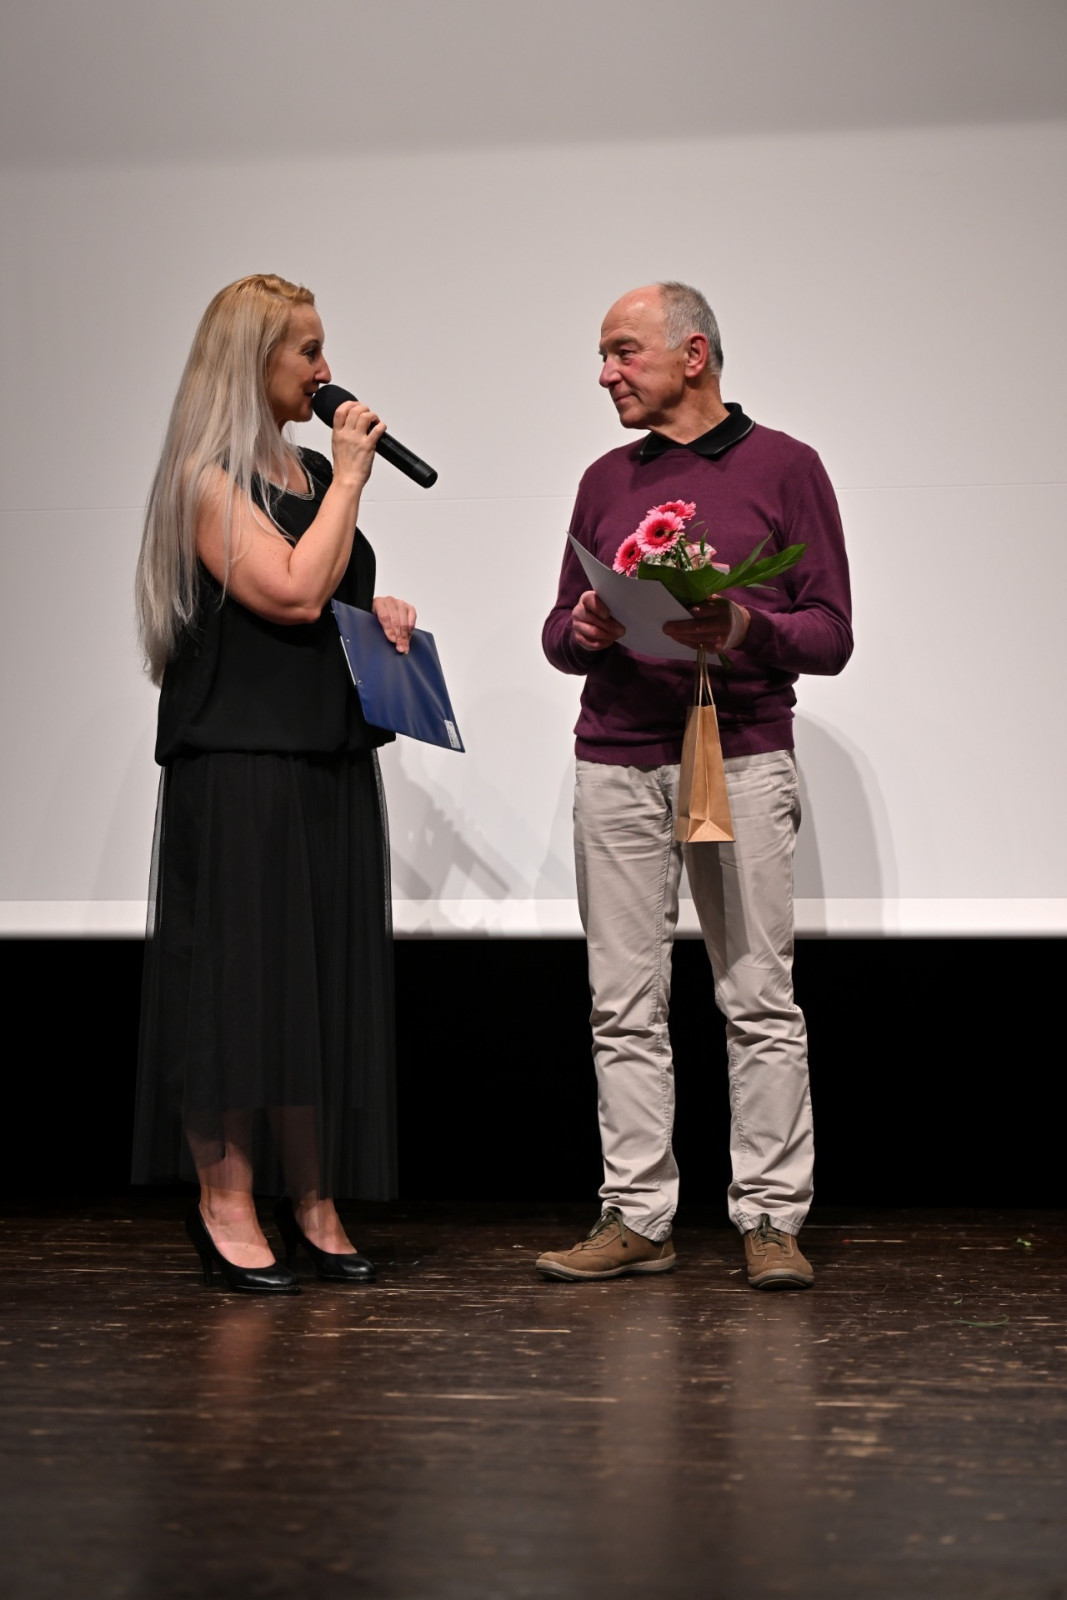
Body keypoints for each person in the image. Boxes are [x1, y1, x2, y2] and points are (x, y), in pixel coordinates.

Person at [537, 282, 852, 1289]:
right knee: (621, 1002)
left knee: (756, 994)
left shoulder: (786, 466)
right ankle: (636, 1214)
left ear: (693, 354)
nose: (605, 374)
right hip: (616, 755)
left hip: (741, 754)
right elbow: (556, 635)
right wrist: (583, 628)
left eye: (622, 352)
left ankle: (769, 1218)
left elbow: (830, 634)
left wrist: (746, 627)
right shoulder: (604, 479)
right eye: (602, 356)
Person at [133, 273, 414, 1294]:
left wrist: (379, 612)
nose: (326, 370)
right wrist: (352, 481)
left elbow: (326, 594)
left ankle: (313, 1200)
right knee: (241, 989)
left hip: (323, 758)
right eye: (307, 351)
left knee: (313, 985)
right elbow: (289, 593)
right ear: (252, 363)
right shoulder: (206, 480)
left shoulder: (308, 472)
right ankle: (226, 1200)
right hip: (239, 767)